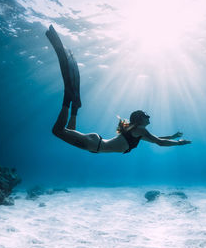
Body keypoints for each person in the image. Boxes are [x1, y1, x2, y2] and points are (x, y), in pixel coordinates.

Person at [46, 25, 191, 153]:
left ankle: (75, 107)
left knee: (67, 131)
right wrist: (178, 143)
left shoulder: (138, 131)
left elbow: (156, 139)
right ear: (140, 119)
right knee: (57, 131)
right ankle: (68, 98)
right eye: (146, 115)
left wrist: (172, 137)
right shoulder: (139, 130)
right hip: (95, 145)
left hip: (96, 144)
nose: (149, 116)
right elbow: (158, 142)